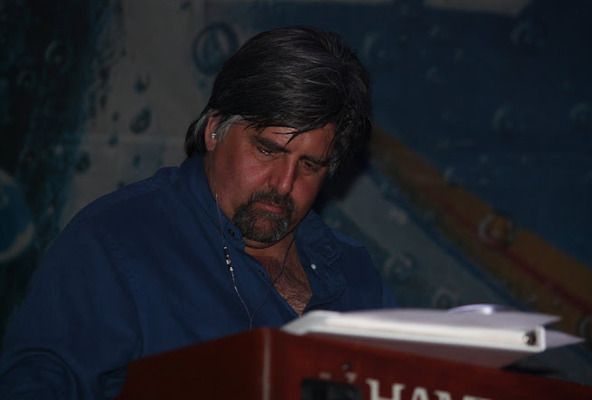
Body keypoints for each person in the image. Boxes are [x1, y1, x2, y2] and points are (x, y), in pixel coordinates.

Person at [0, 26, 396, 398]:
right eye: (267, 150)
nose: (283, 183)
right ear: (214, 129)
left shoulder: (354, 272)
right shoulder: (115, 243)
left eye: (309, 165)